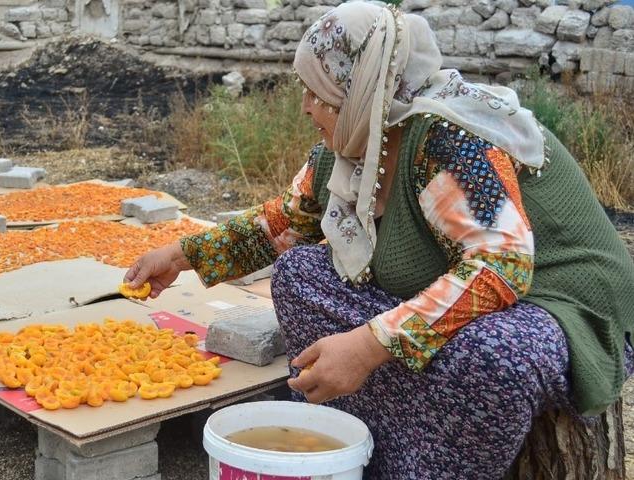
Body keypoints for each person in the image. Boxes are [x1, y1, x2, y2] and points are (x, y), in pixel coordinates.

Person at [124, 2, 634, 478]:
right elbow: (285, 221)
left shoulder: (448, 135)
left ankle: (427, 466)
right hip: (458, 281)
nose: (305, 107)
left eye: (316, 92)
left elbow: (502, 267)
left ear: (360, 87)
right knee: (301, 274)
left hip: (557, 299)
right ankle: (349, 445)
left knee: (490, 356)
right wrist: (180, 255)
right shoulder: (351, 143)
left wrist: (369, 345)